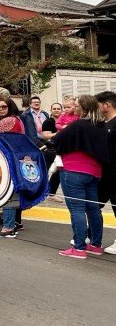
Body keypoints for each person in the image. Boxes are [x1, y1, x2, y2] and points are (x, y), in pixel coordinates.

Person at [52, 95, 108, 258]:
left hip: (73, 170)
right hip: (95, 172)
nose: (74, 108)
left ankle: (79, 248)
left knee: (77, 209)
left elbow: (58, 140)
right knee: (93, 209)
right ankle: (96, 245)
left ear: (83, 108)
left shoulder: (77, 125)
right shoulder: (101, 126)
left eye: (76, 106)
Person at [0, 97, 26, 238]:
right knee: (13, 193)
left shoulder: (8, 120)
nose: (0, 109)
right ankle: (14, 223)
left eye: (3, 106)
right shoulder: (17, 119)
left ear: (10, 107)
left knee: (9, 194)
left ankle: (8, 227)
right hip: (16, 158)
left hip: (9, 159)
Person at [95, 91, 116, 254]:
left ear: (106, 105)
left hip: (114, 174)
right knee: (94, 205)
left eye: (99, 105)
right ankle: (91, 238)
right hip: (103, 174)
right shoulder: (102, 124)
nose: (97, 108)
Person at [41, 102, 64, 202]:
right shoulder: (48, 122)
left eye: (58, 108)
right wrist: (60, 133)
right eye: (54, 108)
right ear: (51, 110)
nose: (56, 110)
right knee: (44, 172)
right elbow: (46, 135)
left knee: (57, 174)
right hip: (50, 151)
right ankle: (39, 193)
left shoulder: (64, 121)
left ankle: (51, 193)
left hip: (61, 150)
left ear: (61, 110)